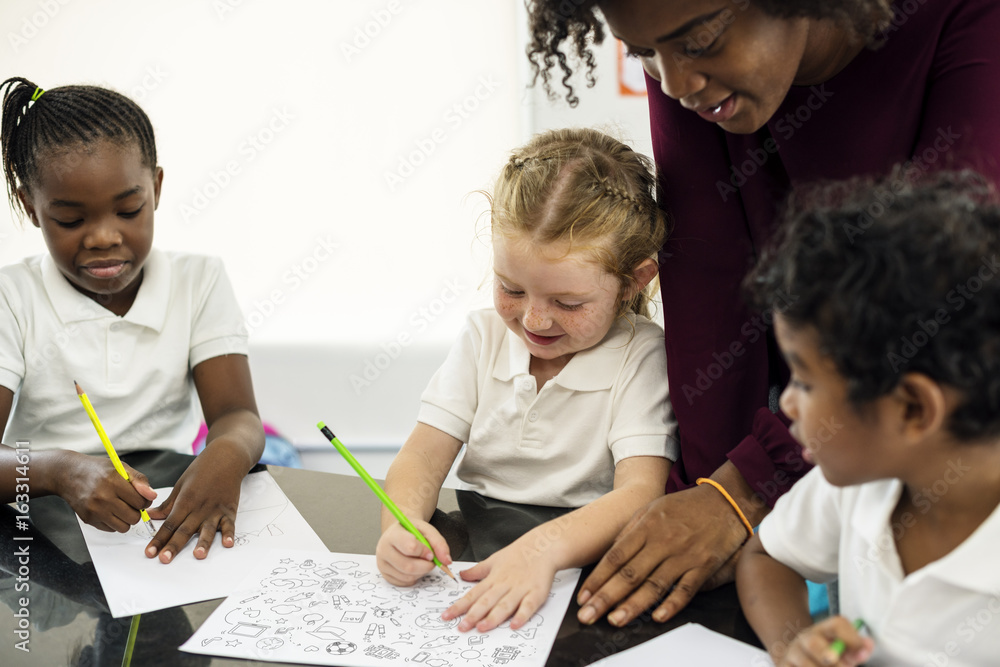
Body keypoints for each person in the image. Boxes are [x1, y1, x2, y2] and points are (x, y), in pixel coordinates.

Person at [524, 0, 1000, 626]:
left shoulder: (970, 21)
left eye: (700, 41)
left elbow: (944, 299)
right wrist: (706, 496)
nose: (674, 84)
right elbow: (709, 282)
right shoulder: (685, 60)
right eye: (643, 54)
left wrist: (744, 489)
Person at [376, 127, 676, 632]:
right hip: (474, 551)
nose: (534, 321)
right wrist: (400, 526)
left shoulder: (640, 355)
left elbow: (641, 495)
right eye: (511, 288)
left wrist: (541, 550)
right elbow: (424, 453)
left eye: (568, 303)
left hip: (582, 562)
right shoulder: (482, 336)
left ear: (633, 281)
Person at [736, 171, 1000, 666]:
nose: (786, 404)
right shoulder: (859, 482)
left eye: (806, 382)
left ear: (912, 408)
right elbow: (766, 557)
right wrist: (793, 644)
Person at [0, 77, 265, 564]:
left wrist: (226, 454)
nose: (103, 237)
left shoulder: (198, 279)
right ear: (29, 207)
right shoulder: (10, 297)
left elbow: (237, 416)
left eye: (128, 210)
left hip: (162, 510)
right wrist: (59, 470)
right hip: (41, 532)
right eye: (71, 220)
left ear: (156, 188)